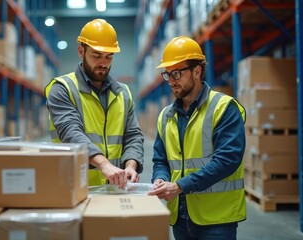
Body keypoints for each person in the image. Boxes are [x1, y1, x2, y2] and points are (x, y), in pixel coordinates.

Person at [148, 36, 246, 240]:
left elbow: (227, 160)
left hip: (217, 219)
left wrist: (180, 186)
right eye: (167, 75)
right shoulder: (166, 115)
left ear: (197, 71)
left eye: (176, 73)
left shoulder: (224, 108)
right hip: (180, 217)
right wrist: (160, 179)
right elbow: (161, 160)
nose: (172, 81)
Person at [44, 19, 144, 189]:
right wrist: (104, 164)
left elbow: (133, 135)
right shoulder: (62, 88)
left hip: (114, 189)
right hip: (74, 187)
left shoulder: (123, 93)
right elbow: (70, 132)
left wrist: (130, 165)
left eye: (109, 57)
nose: (104, 63)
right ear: (81, 51)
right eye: (97, 56)